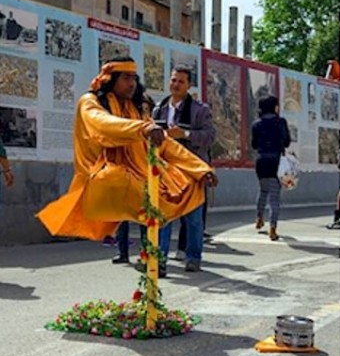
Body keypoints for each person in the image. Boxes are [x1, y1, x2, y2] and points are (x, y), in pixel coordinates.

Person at [37, 58, 217, 260]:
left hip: (142, 170)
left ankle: (163, 259)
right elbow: (104, 125)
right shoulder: (90, 102)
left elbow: (165, 143)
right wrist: (143, 128)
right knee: (136, 189)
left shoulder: (135, 107)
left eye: (134, 78)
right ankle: (146, 256)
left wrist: (200, 169)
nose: (131, 83)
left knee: (189, 187)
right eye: (125, 78)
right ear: (110, 79)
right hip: (103, 173)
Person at [150, 65, 217, 273]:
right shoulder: (159, 109)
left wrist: (185, 135)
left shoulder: (199, 110)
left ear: (189, 85)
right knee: (163, 216)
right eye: (173, 80)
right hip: (167, 171)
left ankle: (193, 257)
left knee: (194, 218)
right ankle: (160, 260)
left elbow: (210, 137)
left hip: (191, 171)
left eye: (180, 81)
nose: (175, 84)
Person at [112, 88, 155, 264]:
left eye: (146, 108)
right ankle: (123, 252)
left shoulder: (152, 127)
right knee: (122, 215)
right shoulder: (129, 124)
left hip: (144, 174)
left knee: (144, 217)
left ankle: (146, 254)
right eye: (141, 107)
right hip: (125, 173)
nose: (143, 111)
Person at [251, 94, 291, 241]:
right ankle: (272, 228)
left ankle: (259, 218)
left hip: (261, 161)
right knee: (275, 197)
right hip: (276, 162)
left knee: (263, 191)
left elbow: (254, 145)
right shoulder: (280, 122)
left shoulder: (256, 124)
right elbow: (286, 142)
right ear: (274, 107)